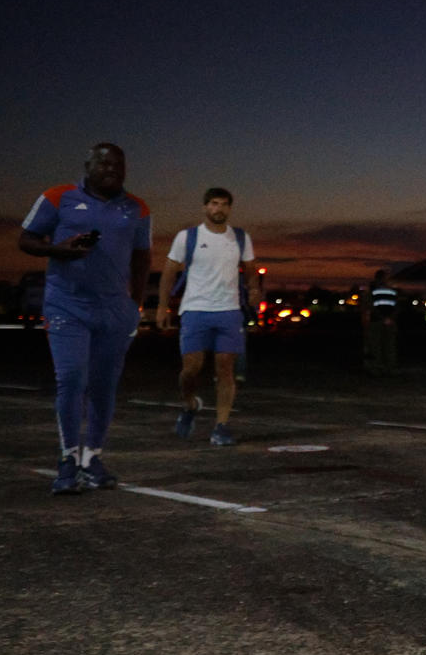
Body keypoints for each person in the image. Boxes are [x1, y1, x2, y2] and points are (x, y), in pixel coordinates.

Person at [18, 143, 152, 494]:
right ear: (88, 165)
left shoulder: (137, 208)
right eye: (104, 163)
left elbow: (141, 260)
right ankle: (67, 460)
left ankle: (92, 458)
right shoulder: (57, 196)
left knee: (104, 385)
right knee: (72, 380)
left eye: (119, 164)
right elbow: (26, 239)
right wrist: (57, 251)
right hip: (67, 305)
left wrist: (134, 305)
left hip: (114, 310)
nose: (112, 169)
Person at [155, 187, 256, 446]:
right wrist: (162, 307)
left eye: (223, 204)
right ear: (204, 207)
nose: (218, 209)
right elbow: (168, 273)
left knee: (225, 369)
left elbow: (251, 269)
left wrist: (255, 290)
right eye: (213, 203)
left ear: (230, 209)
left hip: (229, 311)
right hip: (195, 310)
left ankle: (221, 426)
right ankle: (189, 405)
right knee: (190, 370)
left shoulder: (241, 238)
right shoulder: (187, 237)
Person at [363, 270, 400, 374]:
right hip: (390, 323)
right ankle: (389, 367)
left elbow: (370, 307)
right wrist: (390, 318)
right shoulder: (393, 292)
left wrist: (382, 318)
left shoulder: (371, 293)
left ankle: (377, 367)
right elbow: (397, 308)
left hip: (376, 322)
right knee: (389, 345)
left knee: (375, 345)